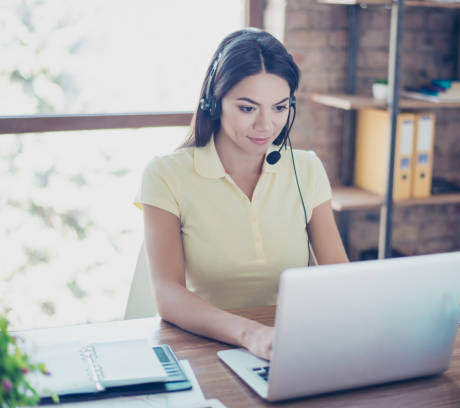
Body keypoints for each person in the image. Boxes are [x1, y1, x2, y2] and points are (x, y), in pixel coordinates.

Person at [135, 28, 348, 360]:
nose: (266, 125)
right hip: (206, 347)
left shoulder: (305, 168)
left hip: (288, 345)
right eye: (248, 109)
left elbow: (339, 273)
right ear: (214, 103)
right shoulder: (166, 175)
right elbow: (167, 293)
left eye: (279, 108)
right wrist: (250, 334)